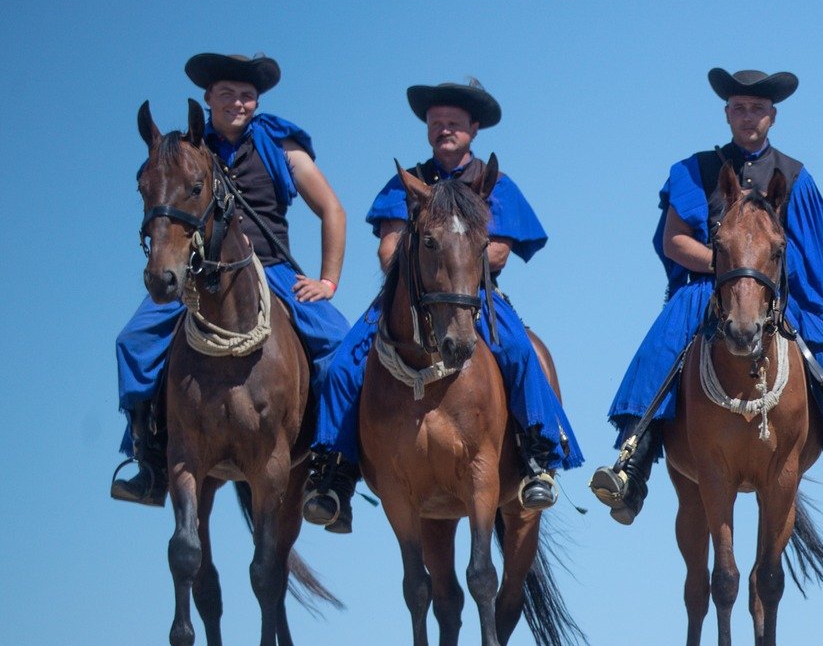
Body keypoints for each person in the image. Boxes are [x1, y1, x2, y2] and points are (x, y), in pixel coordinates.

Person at [592, 68, 823, 522]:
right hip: (709, 287)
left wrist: (762, 279)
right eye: (739, 108)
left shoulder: (795, 176)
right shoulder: (695, 170)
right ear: (726, 114)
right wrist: (728, 268)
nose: (748, 116)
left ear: (772, 117)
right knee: (663, 343)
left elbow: (811, 254)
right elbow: (674, 242)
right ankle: (631, 467)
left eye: (757, 109)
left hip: (774, 292)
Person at [299, 79, 579, 533]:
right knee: (341, 364)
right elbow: (388, 249)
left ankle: (537, 457)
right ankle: (335, 473)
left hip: (475, 295)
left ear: (474, 129)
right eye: (436, 123)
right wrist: (426, 260)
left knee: (520, 352)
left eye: (454, 123)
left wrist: (452, 254)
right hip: (408, 294)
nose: (444, 129)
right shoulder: (407, 181)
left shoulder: (492, 183)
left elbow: (499, 252)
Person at [113, 52, 348, 505]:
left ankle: (330, 468)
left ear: (256, 101)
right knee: (133, 342)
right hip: (198, 275)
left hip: (273, 270)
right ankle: (149, 459)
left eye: (246, 95)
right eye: (227, 94)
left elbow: (332, 210)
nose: (238, 103)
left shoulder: (281, 145)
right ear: (208, 98)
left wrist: (328, 281)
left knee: (341, 349)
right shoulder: (185, 149)